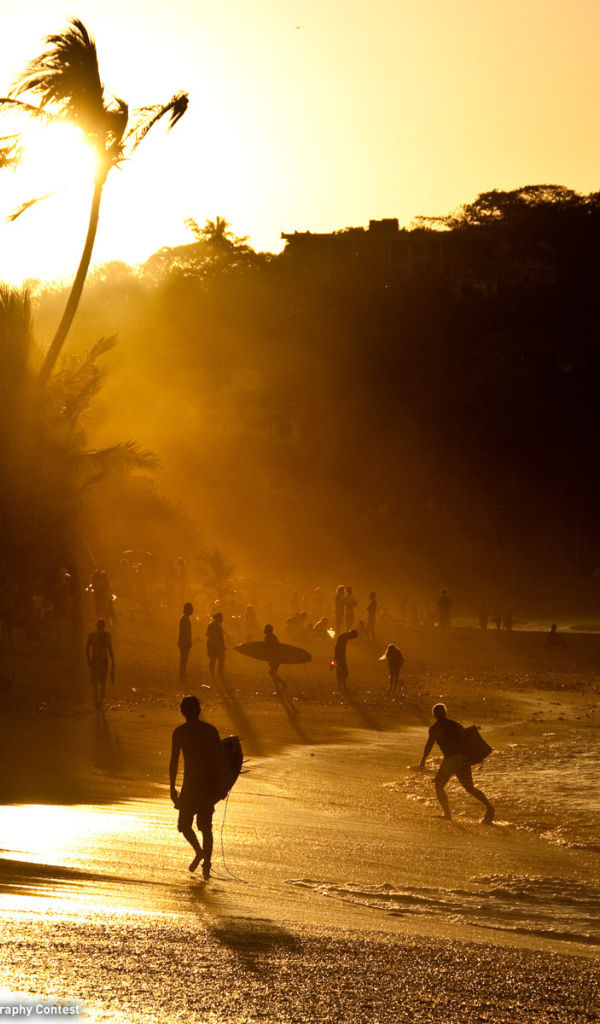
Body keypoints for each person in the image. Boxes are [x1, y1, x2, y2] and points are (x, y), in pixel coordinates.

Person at [169, 695, 221, 879]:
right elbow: (221, 760)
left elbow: (174, 762)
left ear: (183, 711)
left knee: (187, 825)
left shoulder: (180, 732)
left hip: (193, 786)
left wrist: (171, 787)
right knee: (204, 827)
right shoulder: (210, 731)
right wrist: (221, 787)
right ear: (198, 710)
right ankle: (204, 860)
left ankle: (203, 858)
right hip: (206, 786)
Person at [419, 703, 495, 823]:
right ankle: (489, 808)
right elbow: (467, 740)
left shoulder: (434, 728)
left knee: (439, 785)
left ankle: (447, 814)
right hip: (463, 759)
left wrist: (423, 759)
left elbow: (429, 744)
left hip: (451, 760)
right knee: (469, 787)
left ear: (434, 715)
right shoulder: (455, 724)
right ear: (445, 713)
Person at [85, 618, 115, 712]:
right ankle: (101, 702)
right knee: (103, 681)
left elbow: (87, 649)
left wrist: (88, 659)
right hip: (103, 660)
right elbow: (110, 649)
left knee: (94, 680)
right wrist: (113, 661)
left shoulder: (91, 635)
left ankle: (97, 700)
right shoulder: (107, 635)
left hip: (94, 659)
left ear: (97, 625)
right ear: (104, 626)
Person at [264, 623, 286, 690]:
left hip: (276, 657)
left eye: (265, 629)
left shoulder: (269, 638)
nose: (264, 630)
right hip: (277, 657)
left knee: (272, 673)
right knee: (273, 673)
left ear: (268, 631)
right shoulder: (273, 637)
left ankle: (283, 685)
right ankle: (279, 687)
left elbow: (270, 648)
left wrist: (271, 658)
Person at [206, 611, 226, 679]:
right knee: (221, 660)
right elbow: (220, 637)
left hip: (210, 644)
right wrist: (223, 646)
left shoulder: (210, 624)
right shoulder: (219, 626)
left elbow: (207, 634)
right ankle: (220, 675)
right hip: (217, 645)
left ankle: (212, 675)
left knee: (212, 660)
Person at [178, 602, 194, 683]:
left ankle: (182, 676)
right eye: (191, 608)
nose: (192, 610)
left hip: (184, 642)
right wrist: (188, 642)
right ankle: (182, 677)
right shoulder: (185, 619)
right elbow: (185, 633)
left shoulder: (185, 618)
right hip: (184, 643)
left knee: (184, 660)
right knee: (184, 660)